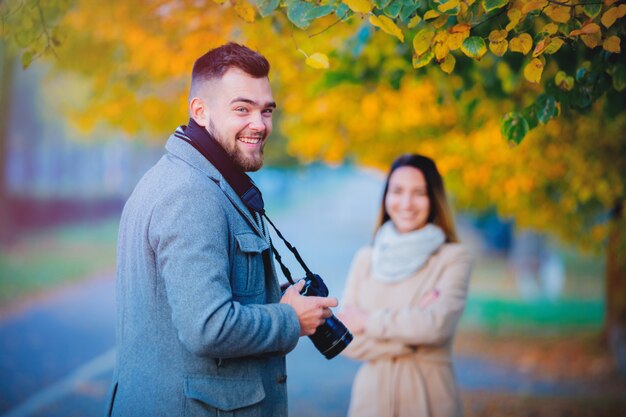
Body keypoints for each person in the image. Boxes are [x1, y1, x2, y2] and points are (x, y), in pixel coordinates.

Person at [104, 43, 338, 417]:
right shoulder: (190, 194)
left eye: (266, 110)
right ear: (200, 110)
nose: (259, 124)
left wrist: (274, 297)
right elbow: (208, 326)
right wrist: (290, 319)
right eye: (242, 109)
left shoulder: (201, 181)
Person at [337, 154, 472, 417]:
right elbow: (346, 341)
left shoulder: (453, 258)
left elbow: (436, 327)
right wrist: (413, 335)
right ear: (386, 197)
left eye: (419, 193)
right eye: (397, 191)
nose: (406, 203)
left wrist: (366, 320)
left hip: (429, 400)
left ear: (434, 198)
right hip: (370, 403)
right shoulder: (366, 258)